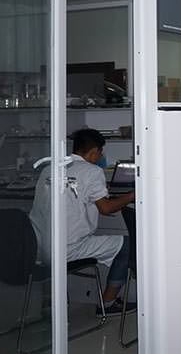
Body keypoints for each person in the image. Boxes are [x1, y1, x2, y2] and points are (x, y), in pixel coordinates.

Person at [29, 128, 135, 316]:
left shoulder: (49, 169)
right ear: (94, 151)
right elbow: (106, 208)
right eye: (100, 152)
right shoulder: (92, 171)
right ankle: (108, 304)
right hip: (69, 249)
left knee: (55, 252)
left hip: (38, 248)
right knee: (126, 245)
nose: (101, 157)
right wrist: (132, 195)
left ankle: (50, 305)